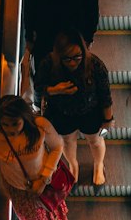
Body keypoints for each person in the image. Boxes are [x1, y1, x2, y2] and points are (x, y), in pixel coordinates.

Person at [35, 29, 113, 186]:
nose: (72, 62)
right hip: (61, 111)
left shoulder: (94, 64)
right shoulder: (48, 63)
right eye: (67, 58)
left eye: (77, 57)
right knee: (67, 141)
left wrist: (108, 119)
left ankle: (98, 164)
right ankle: (73, 164)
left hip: (90, 110)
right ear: (58, 55)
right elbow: (38, 87)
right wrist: (56, 89)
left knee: (96, 140)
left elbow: (105, 94)